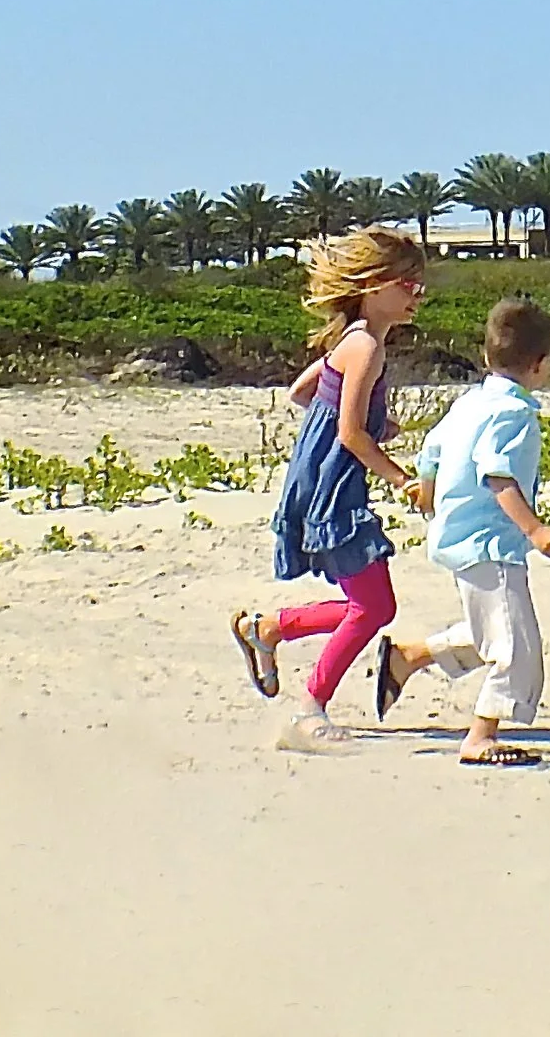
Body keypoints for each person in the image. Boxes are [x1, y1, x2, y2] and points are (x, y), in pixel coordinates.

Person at [229, 226, 424, 750]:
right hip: (336, 484)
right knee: (374, 606)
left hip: (317, 475)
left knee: (370, 603)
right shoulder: (365, 347)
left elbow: (302, 392)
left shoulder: (353, 340)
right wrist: (401, 477)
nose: (417, 297)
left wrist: (366, 424)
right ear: (373, 284)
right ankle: (308, 708)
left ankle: (269, 629)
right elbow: (350, 433)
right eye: (409, 285)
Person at [372, 296, 550, 767]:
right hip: (490, 543)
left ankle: (409, 657)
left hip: (456, 535)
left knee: (489, 634)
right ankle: (480, 737)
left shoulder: (470, 402)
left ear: (486, 357)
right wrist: (536, 529)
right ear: (541, 366)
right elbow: (498, 475)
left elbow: (431, 452)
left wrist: (427, 492)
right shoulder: (515, 414)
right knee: (515, 648)